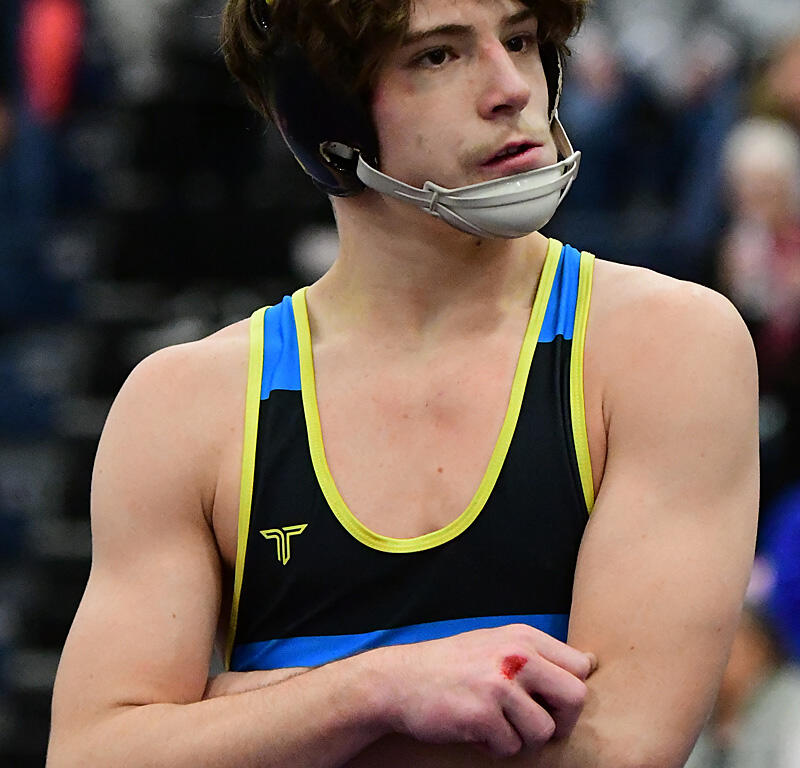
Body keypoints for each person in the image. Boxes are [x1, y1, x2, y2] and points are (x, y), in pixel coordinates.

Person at [46, 1, 759, 766]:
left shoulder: (664, 345)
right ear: (320, 118)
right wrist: (375, 690)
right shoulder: (185, 407)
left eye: (521, 40)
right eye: (438, 56)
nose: (511, 88)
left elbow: (613, 750)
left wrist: (243, 712)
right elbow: (94, 754)